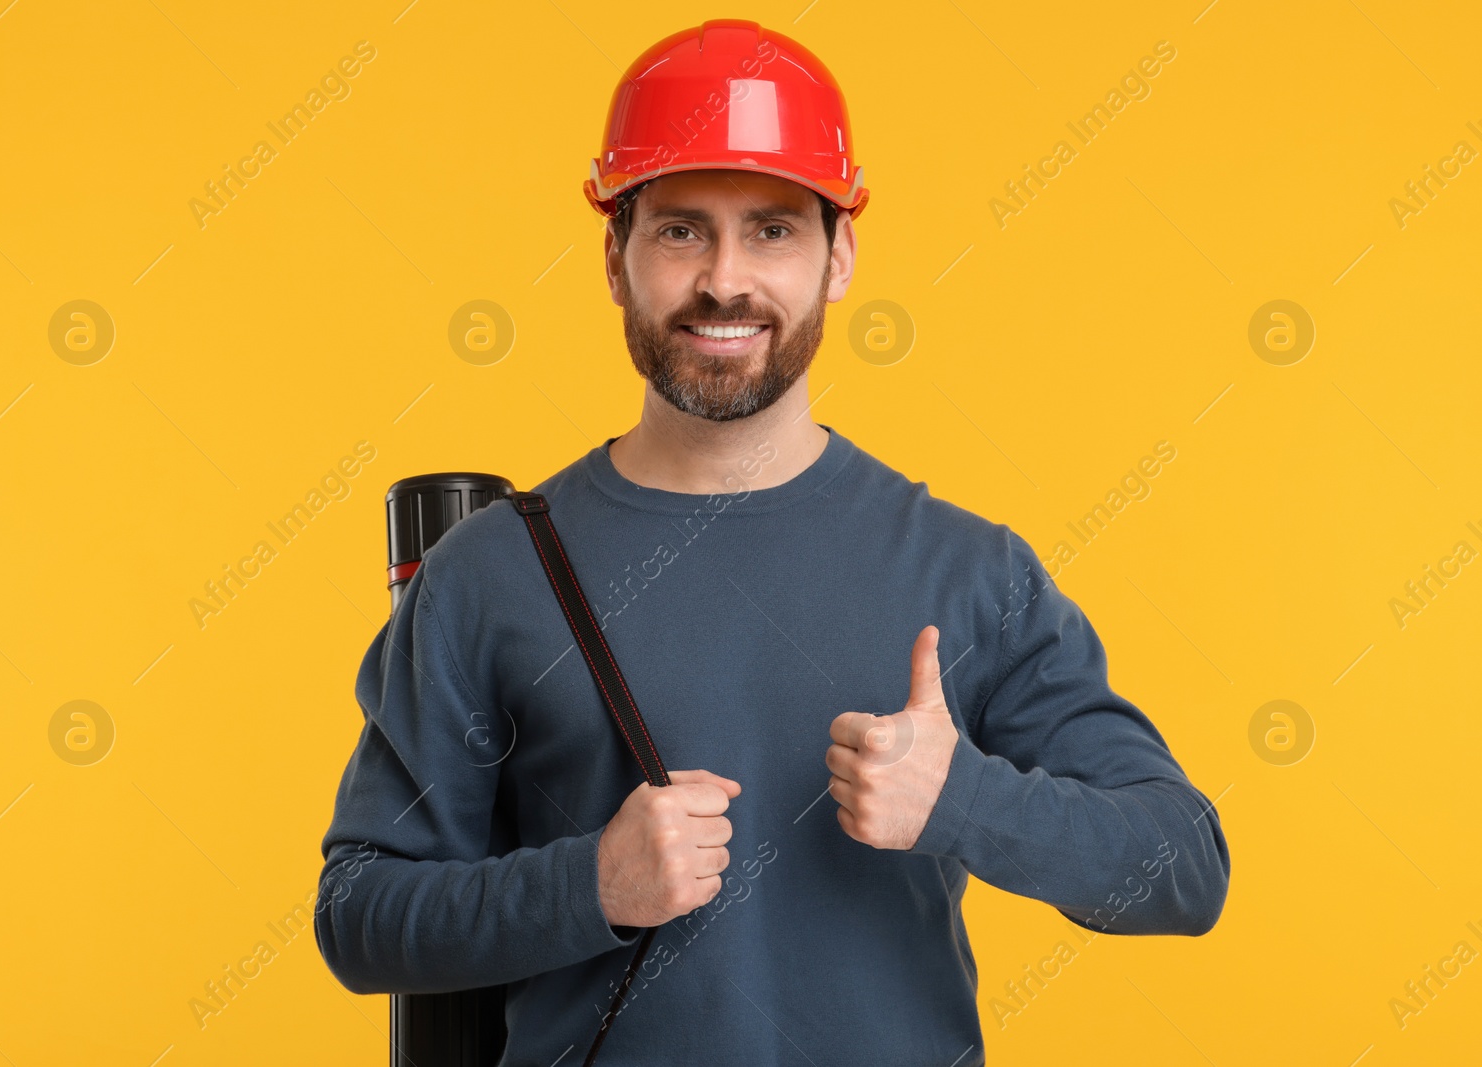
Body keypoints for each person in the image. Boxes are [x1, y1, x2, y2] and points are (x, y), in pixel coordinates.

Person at [315, 19, 1230, 1065]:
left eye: (772, 230)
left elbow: (1180, 870)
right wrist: (588, 884)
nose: (723, 281)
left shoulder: (969, 571)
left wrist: (964, 798)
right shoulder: (489, 573)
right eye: (678, 230)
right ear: (615, 257)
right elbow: (360, 910)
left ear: (839, 257)